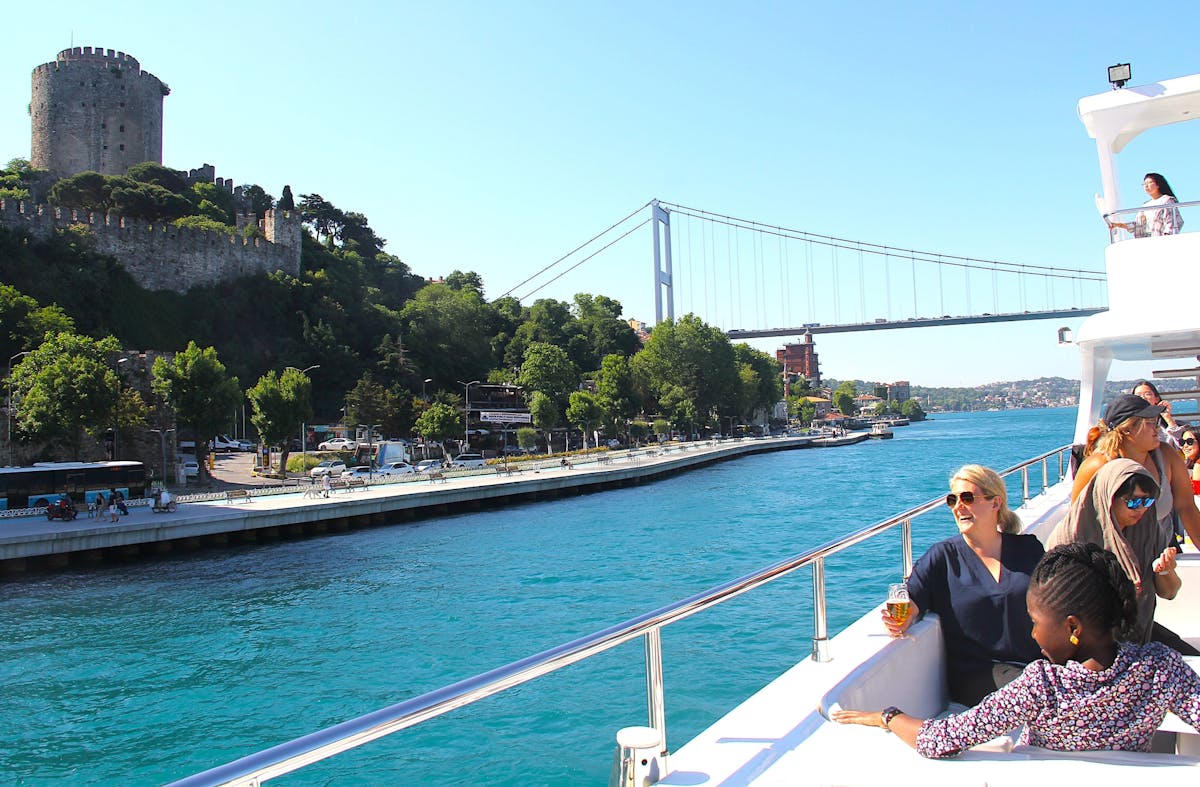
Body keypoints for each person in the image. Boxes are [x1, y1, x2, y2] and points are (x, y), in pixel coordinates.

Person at [832, 543, 1200, 758]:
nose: (1033, 633)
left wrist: (887, 716)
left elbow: (939, 740)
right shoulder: (1159, 667)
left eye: (1036, 621)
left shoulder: (1043, 685)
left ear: (1072, 627)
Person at [883, 465, 1044, 706]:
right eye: (952, 500)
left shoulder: (1028, 549)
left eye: (967, 498)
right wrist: (902, 618)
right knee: (1039, 689)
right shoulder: (942, 558)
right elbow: (911, 598)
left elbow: (1057, 600)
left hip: (1036, 665)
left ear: (995, 503)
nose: (958, 507)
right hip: (978, 674)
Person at [1049, 458, 1195, 655]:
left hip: (1140, 631)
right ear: (1109, 498)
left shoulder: (1150, 531)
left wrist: (1165, 570)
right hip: (1089, 646)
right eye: (1133, 501)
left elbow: (1169, 592)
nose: (1142, 509)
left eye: (1148, 501)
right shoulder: (1071, 538)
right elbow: (1056, 607)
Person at [1073, 393, 1200, 548]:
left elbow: (1186, 507)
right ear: (1128, 429)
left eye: (1156, 421)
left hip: (1162, 559)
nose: (1157, 427)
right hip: (1112, 562)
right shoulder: (1097, 466)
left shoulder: (1166, 455)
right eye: (1150, 422)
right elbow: (1078, 523)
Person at [1108, 172, 1184, 237]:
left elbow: (1173, 222)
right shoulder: (1145, 206)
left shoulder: (1166, 201)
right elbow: (1138, 225)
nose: (1146, 186)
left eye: (1149, 183)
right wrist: (1119, 225)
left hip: (1161, 242)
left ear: (1158, 184)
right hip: (1146, 243)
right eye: (1144, 184)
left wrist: (1166, 239)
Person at [1131, 380, 1183, 447]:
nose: (1143, 398)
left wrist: (1168, 418)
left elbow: (1182, 444)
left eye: (1147, 394)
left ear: (1156, 399)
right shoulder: (1128, 426)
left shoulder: (1166, 426)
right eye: (1138, 395)